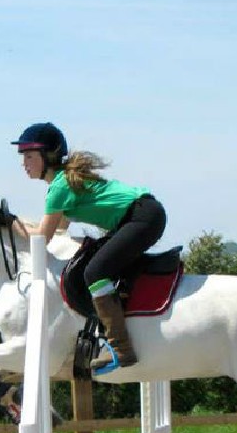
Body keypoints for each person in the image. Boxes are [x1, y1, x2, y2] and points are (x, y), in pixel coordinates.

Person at [10, 122, 166, 371]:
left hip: (142, 217)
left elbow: (41, 238)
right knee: (95, 263)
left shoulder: (59, 187)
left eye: (29, 156)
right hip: (143, 215)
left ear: (47, 157)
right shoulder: (61, 184)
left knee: (94, 272)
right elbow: (59, 228)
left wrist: (11, 223)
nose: (23, 163)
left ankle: (120, 347)